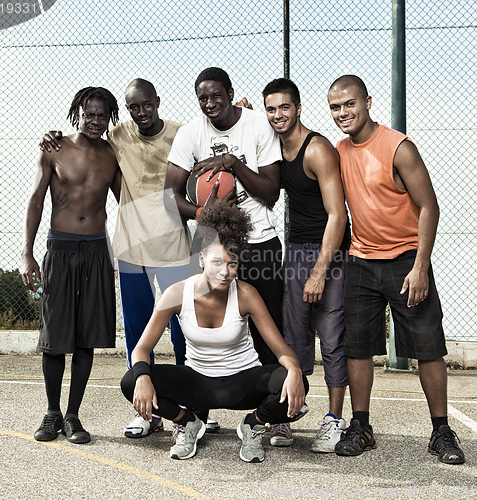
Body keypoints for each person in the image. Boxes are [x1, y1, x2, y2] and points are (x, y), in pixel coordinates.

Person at [39, 79, 191, 439]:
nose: (141, 112)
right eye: (133, 107)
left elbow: (215, 134)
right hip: (129, 247)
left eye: (145, 105)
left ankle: (190, 405)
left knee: (184, 326)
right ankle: (145, 412)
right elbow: (72, 152)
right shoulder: (113, 136)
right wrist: (50, 137)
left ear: (157, 102)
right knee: (137, 331)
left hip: (174, 244)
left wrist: (241, 115)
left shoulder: (181, 133)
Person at [327, 75, 465, 464]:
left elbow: (430, 207)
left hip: (407, 260)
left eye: (349, 104)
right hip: (361, 261)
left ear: (367, 102)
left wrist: (421, 266)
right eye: (335, 107)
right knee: (357, 348)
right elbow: (296, 147)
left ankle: (441, 431)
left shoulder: (398, 147)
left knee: (428, 348)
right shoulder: (338, 150)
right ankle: (361, 427)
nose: (343, 113)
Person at [120, 202, 309, 462]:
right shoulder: (177, 293)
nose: (225, 272)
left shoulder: (246, 294)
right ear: (201, 259)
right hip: (196, 383)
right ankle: (187, 422)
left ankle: (252, 425)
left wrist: (295, 371)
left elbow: (281, 350)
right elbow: (142, 348)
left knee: (294, 381)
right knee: (131, 381)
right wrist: (143, 377)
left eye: (232, 264)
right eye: (217, 262)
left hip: (242, 381)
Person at [165, 67, 286, 433]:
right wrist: (206, 211)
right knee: (198, 327)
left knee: (269, 332)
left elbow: (270, 192)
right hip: (208, 243)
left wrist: (233, 164)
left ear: (231, 93)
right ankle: (197, 415)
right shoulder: (190, 133)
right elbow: (170, 198)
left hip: (259, 240)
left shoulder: (257, 126)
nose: (210, 103)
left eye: (216, 95)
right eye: (203, 98)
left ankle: (275, 417)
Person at [21, 87, 121, 444]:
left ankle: (73, 416)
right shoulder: (54, 148)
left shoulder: (112, 154)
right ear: (77, 111)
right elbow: (35, 200)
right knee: (54, 337)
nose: (94, 121)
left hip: (95, 250)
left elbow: (129, 198)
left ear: (110, 117)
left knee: (86, 337)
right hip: (60, 248)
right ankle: (51, 412)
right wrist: (27, 253)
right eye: (88, 113)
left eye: (101, 115)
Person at [262, 78, 350, 451]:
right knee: (293, 338)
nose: (278, 115)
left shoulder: (318, 150)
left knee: (331, 338)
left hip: (329, 252)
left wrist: (318, 272)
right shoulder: (273, 146)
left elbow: (337, 215)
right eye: (271, 109)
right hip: (296, 250)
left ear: (298, 108)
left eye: (284, 107)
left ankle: (333, 421)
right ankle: (285, 419)